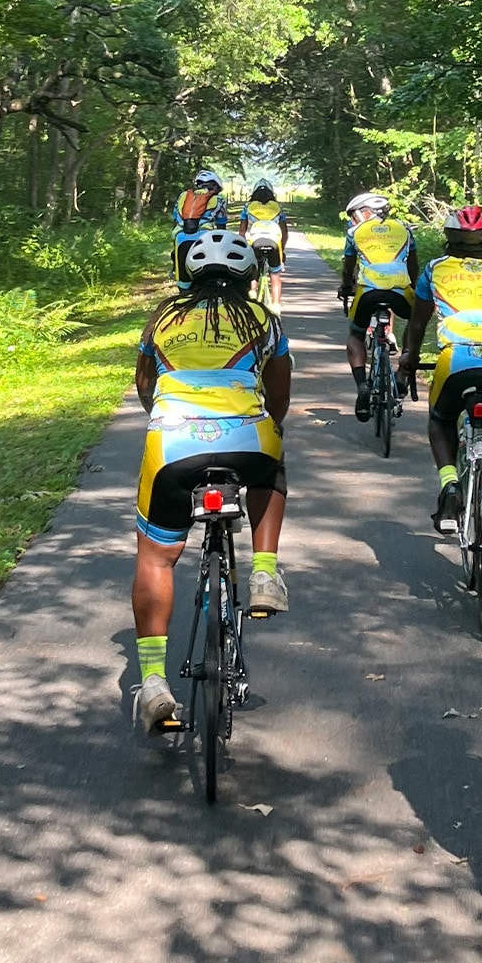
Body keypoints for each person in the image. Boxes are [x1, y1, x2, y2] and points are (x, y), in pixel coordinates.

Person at [131, 231, 292, 734]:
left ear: (188, 273)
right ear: (249, 278)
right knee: (273, 467)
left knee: (156, 557)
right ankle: (265, 572)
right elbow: (280, 395)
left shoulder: (161, 317)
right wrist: (268, 428)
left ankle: (154, 683)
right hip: (248, 442)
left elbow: (144, 385)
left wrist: (164, 419)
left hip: (174, 447)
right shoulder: (263, 319)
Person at [396, 207, 482, 604]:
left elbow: (417, 324)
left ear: (449, 238)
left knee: (439, 421)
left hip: (456, 362)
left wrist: (407, 360)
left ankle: (450, 485)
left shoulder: (434, 269)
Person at [338, 192, 419, 421]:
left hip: (367, 292)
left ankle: (363, 386)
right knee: (416, 324)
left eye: (354, 216)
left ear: (366, 213)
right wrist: (411, 286)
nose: (353, 222)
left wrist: (346, 286)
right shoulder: (405, 230)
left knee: (355, 334)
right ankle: (402, 374)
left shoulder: (354, 233)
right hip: (400, 291)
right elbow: (413, 265)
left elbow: (348, 268)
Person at [170, 170, 230, 285]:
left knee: (183, 282)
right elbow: (222, 227)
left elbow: (175, 219)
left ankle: (176, 274)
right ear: (214, 185)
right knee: (208, 280)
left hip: (181, 239)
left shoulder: (183, 196)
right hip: (205, 239)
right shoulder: (219, 199)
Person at [239, 178, 290, 306]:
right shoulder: (278, 207)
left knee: (253, 271)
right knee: (275, 274)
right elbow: (285, 233)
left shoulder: (247, 207)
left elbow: (242, 232)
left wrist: (244, 249)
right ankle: (276, 306)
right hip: (274, 243)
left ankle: (252, 293)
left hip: (255, 242)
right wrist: (281, 250)